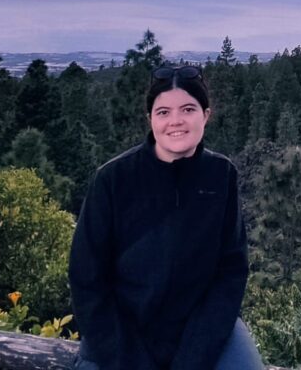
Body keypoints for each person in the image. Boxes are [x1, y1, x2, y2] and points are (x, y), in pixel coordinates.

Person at [69, 64, 264, 370]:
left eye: (188, 109)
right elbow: (87, 280)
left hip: (201, 325)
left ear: (206, 115)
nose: (176, 121)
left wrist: (192, 358)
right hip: (122, 330)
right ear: (150, 119)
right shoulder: (112, 179)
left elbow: (231, 271)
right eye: (163, 112)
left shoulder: (220, 174)